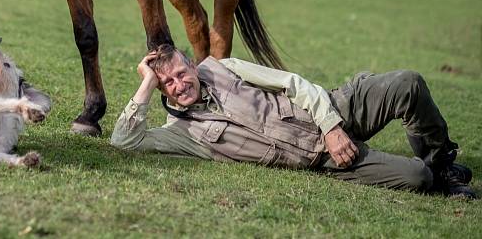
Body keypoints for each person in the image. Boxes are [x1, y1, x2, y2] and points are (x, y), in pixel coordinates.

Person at [110, 44, 475, 199]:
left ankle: (442, 162)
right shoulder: (181, 134)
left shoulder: (223, 68)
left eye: (179, 72)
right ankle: (432, 174)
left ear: (191, 63)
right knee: (416, 178)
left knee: (407, 84)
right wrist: (146, 80)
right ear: (162, 89)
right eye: (168, 83)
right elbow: (124, 140)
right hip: (324, 158)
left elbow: (293, 83)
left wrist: (332, 126)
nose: (179, 84)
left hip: (333, 108)